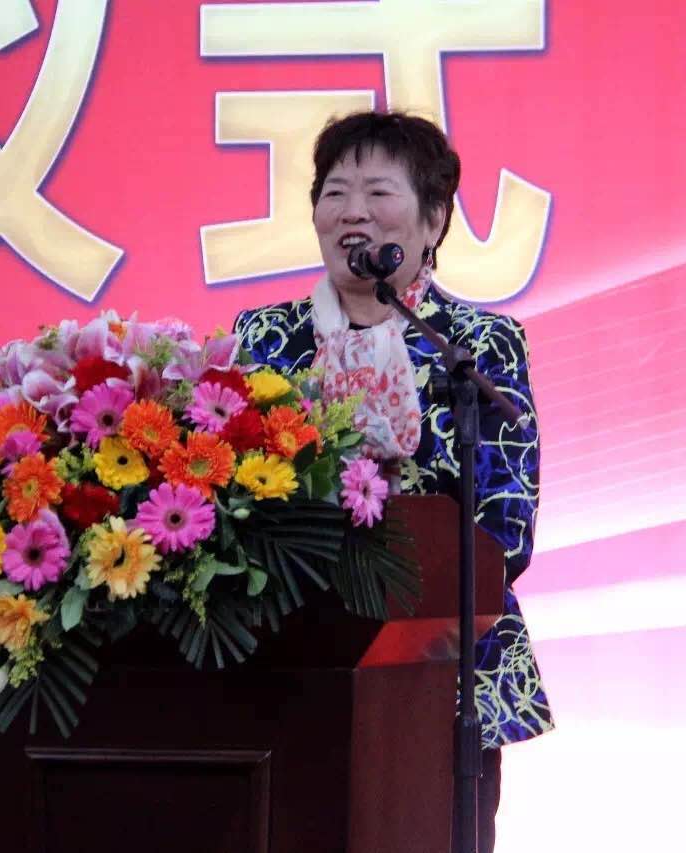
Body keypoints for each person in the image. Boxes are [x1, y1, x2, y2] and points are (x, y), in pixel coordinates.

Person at [232, 110, 553, 852]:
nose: (353, 212)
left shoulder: (479, 344)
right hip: (286, 662)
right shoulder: (263, 338)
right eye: (335, 193)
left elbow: (508, 521)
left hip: (446, 673)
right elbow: (233, 494)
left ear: (433, 219)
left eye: (379, 192)